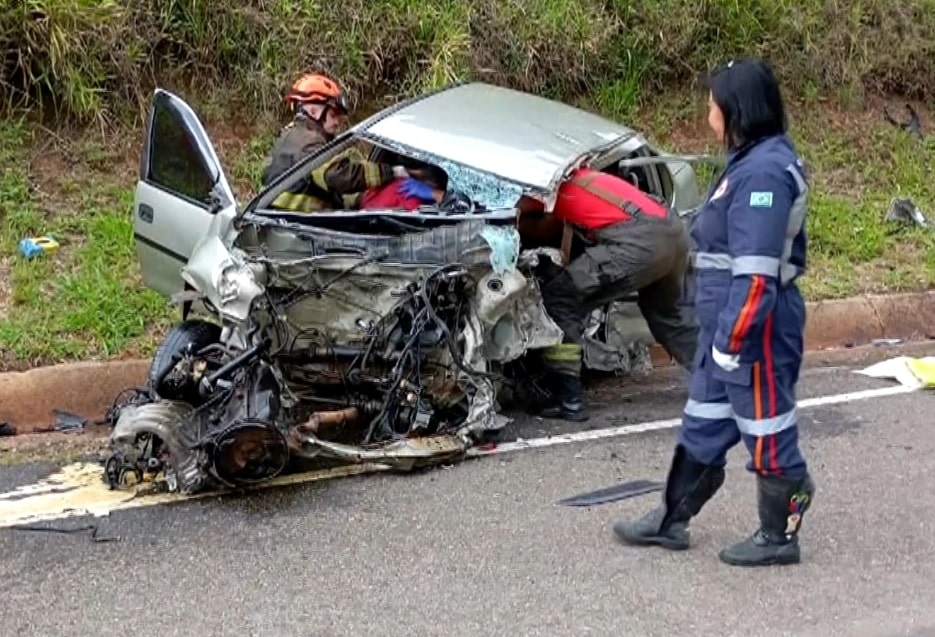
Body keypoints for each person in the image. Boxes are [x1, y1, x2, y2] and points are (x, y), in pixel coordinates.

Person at [612, 57, 815, 567]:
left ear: (737, 109)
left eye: (713, 103)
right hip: (725, 326)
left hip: (755, 330)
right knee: (703, 423)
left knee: (768, 429)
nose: (708, 111)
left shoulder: (765, 173)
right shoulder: (747, 162)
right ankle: (670, 518)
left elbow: (755, 275)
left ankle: (780, 534)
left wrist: (731, 342)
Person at [519, 167, 700, 422]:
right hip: (672, 233)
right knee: (668, 318)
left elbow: (541, 223)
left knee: (560, 297)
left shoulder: (552, 190)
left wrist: (517, 219)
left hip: (639, 245)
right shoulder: (583, 175)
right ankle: (723, 382)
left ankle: (569, 399)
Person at [261, 72, 413, 211]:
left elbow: (316, 186)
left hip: (282, 225)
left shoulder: (290, 136)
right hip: (299, 230)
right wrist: (391, 172)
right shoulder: (309, 142)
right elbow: (339, 177)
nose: (337, 123)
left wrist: (355, 201)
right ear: (314, 112)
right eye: (333, 115)